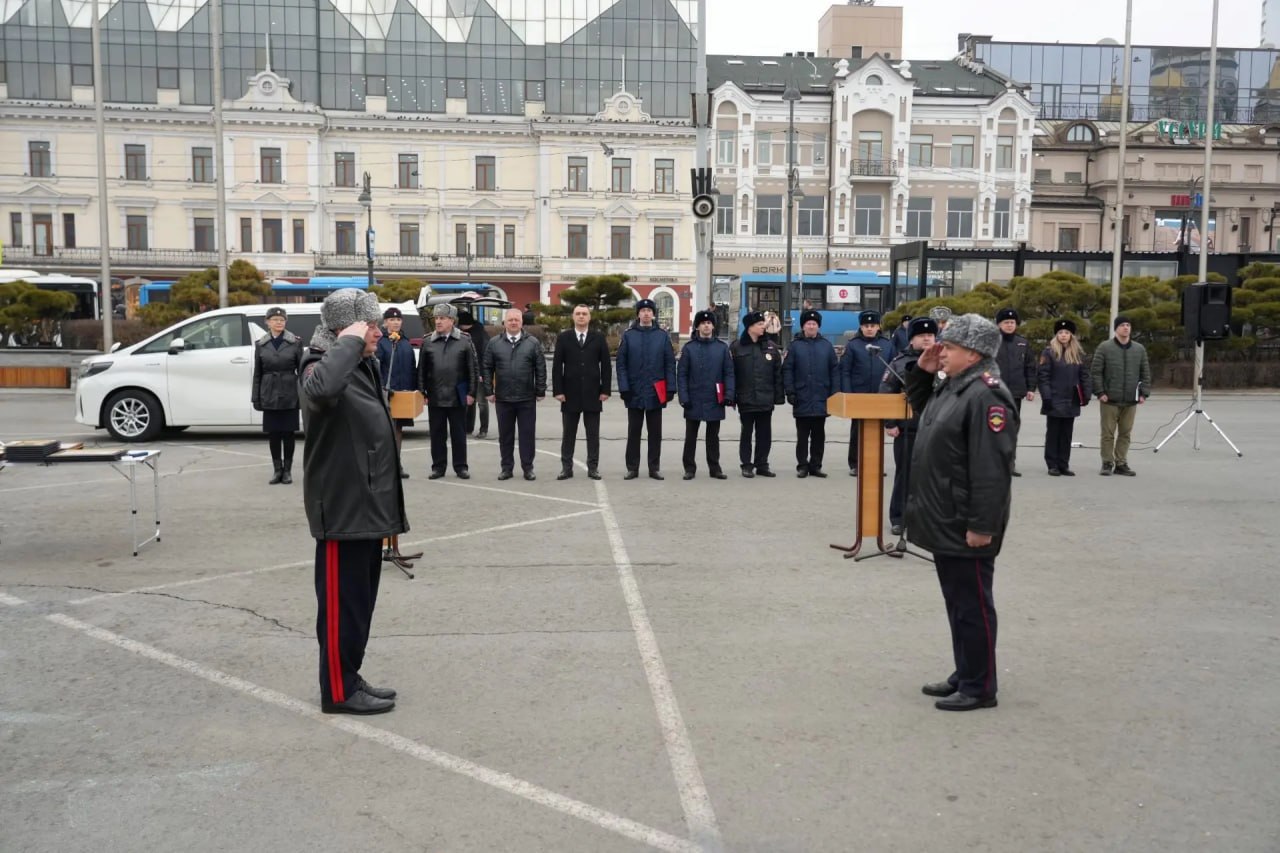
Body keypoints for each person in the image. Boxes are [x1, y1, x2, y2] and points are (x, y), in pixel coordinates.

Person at [299, 288, 407, 715]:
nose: (381, 332)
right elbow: (322, 391)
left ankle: (351, 675)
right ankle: (338, 691)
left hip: (366, 508)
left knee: (359, 605)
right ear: (346, 329)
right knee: (340, 609)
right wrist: (347, 340)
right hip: (342, 508)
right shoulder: (316, 366)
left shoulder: (359, 366)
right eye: (372, 325)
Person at [902, 314, 1016, 712]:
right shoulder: (954, 387)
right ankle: (966, 670)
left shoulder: (987, 395)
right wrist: (922, 371)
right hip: (945, 516)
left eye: (948, 347)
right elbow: (921, 408)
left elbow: (991, 470)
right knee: (958, 602)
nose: (939, 351)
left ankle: (980, 686)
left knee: (973, 605)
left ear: (973, 353)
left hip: (966, 522)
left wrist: (982, 526)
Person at [879, 316, 938, 534]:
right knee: (905, 475)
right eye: (922, 336)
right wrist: (890, 423)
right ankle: (899, 518)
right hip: (908, 429)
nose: (927, 339)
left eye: (930, 335)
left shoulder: (945, 360)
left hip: (937, 430)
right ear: (911, 339)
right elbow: (885, 391)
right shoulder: (898, 362)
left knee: (933, 476)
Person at [482, 307, 546, 481]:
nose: (513, 322)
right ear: (504, 322)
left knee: (527, 435)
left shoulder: (532, 343)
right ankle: (506, 468)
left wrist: (540, 390)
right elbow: (487, 368)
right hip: (503, 398)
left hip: (526, 398)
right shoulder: (494, 343)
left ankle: (528, 468)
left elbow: (540, 368)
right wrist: (488, 391)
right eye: (510, 320)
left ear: (522, 322)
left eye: (516, 320)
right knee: (506, 436)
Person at [616, 298, 676, 480]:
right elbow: (621, 365)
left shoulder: (662, 336)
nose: (646, 313)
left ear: (654, 314)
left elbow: (669, 363)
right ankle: (632, 467)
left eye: (649, 310)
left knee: (655, 432)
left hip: (656, 391)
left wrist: (671, 388)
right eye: (643, 311)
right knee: (634, 431)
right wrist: (624, 387)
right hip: (634, 391)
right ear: (638, 314)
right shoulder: (629, 336)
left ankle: (653, 467)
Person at [552, 304, 611, 480]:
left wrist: (605, 390)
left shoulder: (598, 338)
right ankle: (566, 468)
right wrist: (558, 390)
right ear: (573, 317)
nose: (581, 316)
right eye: (578, 313)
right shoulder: (564, 338)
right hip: (569, 394)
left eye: (584, 314)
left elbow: (606, 366)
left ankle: (593, 467)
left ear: (589, 317)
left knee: (593, 434)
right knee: (568, 434)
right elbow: (557, 366)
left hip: (593, 393)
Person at [419, 303, 478, 480]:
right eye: (436, 318)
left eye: (442, 318)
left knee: (459, 434)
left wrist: (471, 393)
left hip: (458, 396)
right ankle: (438, 467)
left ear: (452, 320)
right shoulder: (428, 342)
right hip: (435, 396)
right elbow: (421, 370)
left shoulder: (465, 340)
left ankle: (461, 467)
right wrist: (422, 392)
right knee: (437, 434)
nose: (438, 321)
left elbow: (473, 369)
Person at [1090, 314, 1151, 477]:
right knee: (1108, 434)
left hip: (1131, 400)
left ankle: (1121, 463)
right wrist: (1100, 392)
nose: (1126, 328)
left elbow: (1145, 372)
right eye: (1122, 325)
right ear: (1116, 328)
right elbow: (1096, 372)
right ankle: (1107, 462)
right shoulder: (1104, 347)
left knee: (1125, 433)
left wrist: (1144, 393)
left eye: (1128, 325)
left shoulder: (1139, 349)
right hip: (1109, 399)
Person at [677, 309, 734, 480]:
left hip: (715, 398)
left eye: (709, 323)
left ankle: (714, 468)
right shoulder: (689, 348)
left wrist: (729, 394)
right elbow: (682, 374)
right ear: (697, 327)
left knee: (713, 436)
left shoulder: (722, 348)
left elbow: (729, 373)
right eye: (703, 323)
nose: (706, 326)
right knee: (691, 436)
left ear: (713, 326)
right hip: (694, 398)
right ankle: (689, 468)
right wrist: (684, 397)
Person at [783, 309, 839, 478]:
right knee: (802, 436)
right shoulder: (795, 346)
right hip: (802, 396)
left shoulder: (826, 346)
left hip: (822, 397)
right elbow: (788, 370)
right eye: (808, 324)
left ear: (818, 327)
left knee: (819, 435)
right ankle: (802, 466)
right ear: (803, 326)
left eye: (814, 324)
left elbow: (834, 371)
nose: (811, 326)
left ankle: (816, 465)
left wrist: (834, 393)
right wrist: (790, 391)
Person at [840, 310, 895, 476]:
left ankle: (876, 463)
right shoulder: (853, 345)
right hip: (859, 394)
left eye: (873, 326)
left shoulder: (887, 345)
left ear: (878, 327)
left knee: (877, 430)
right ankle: (855, 464)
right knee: (858, 430)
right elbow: (845, 371)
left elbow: (893, 369)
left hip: (880, 394)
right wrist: (848, 393)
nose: (869, 329)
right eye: (866, 326)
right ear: (861, 327)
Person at [252, 306, 303, 485]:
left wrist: (302, 395)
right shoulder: (260, 344)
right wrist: (256, 397)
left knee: (288, 433)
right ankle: (277, 470)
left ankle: (287, 471)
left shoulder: (295, 343)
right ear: (267, 323)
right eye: (274, 320)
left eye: (281, 320)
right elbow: (257, 373)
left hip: (289, 390)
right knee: (273, 433)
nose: (278, 322)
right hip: (269, 390)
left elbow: (302, 371)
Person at [731, 310, 785, 477]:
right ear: (750, 327)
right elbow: (731, 374)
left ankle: (762, 464)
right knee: (746, 433)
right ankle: (746, 465)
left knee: (764, 433)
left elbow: (777, 374)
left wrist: (778, 396)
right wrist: (731, 396)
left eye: (763, 324)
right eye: (760, 324)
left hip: (765, 398)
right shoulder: (737, 347)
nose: (764, 327)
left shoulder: (771, 347)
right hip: (745, 398)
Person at [1038, 318, 1092, 476]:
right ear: (1056, 335)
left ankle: (1063, 464)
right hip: (1054, 398)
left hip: (1072, 399)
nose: (1063, 335)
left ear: (1071, 335)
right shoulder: (1049, 352)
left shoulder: (1078, 354)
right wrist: (1046, 397)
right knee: (1053, 433)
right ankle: (1052, 464)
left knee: (1066, 434)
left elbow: (1085, 375)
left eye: (1066, 333)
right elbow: (1043, 376)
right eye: (1060, 332)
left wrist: (1086, 394)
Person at [375, 306, 419, 479]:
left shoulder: (405, 342)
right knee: (385, 431)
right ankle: (383, 466)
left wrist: (415, 389)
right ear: (385, 322)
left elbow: (411, 368)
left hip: (403, 393)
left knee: (398, 430)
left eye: (398, 319)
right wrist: (382, 388)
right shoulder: (381, 342)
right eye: (392, 320)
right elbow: (377, 368)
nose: (395, 323)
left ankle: (396, 464)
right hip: (387, 393)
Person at [993, 307, 1036, 477]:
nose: (1010, 325)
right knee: (995, 427)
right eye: (1006, 322)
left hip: (1016, 393)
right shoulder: (992, 342)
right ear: (999, 325)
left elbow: (1030, 367)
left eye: (1012, 322)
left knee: (1012, 429)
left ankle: (1010, 464)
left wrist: (1031, 388)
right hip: (995, 392)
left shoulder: (1023, 343)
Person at [458, 310, 491, 439]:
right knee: (469, 401)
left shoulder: (480, 336)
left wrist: (482, 373)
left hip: (479, 374)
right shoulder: (466, 334)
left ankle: (483, 429)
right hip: (467, 374)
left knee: (482, 402)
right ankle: (468, 427)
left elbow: (485, 356)